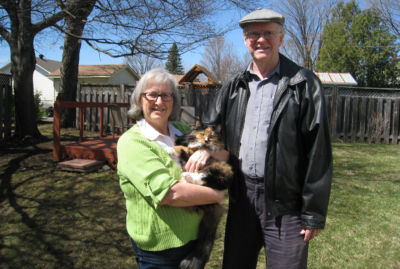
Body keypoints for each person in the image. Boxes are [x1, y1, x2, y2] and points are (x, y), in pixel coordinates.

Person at [185, 8, 333, 269]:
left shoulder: (303, 83)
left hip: (286, 202)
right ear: (245, 39)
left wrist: (313, 214)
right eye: (254, 33)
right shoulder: (234, 85)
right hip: (242, 195)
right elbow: (209, 126)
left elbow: (318, 151)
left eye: (268, 33)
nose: (261, 39)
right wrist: (205, 147)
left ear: (281, 37)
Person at [117, 68, 226, 269]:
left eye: (166, 95)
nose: (159, 101)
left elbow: (224, 154)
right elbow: (169, 194)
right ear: (140, 99)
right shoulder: (132, 142)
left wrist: (209, 152)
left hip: (196, 236)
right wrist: (217, 194)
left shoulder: (184, 131)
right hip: (161, 249)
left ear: (173, 100)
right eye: (151, 94)